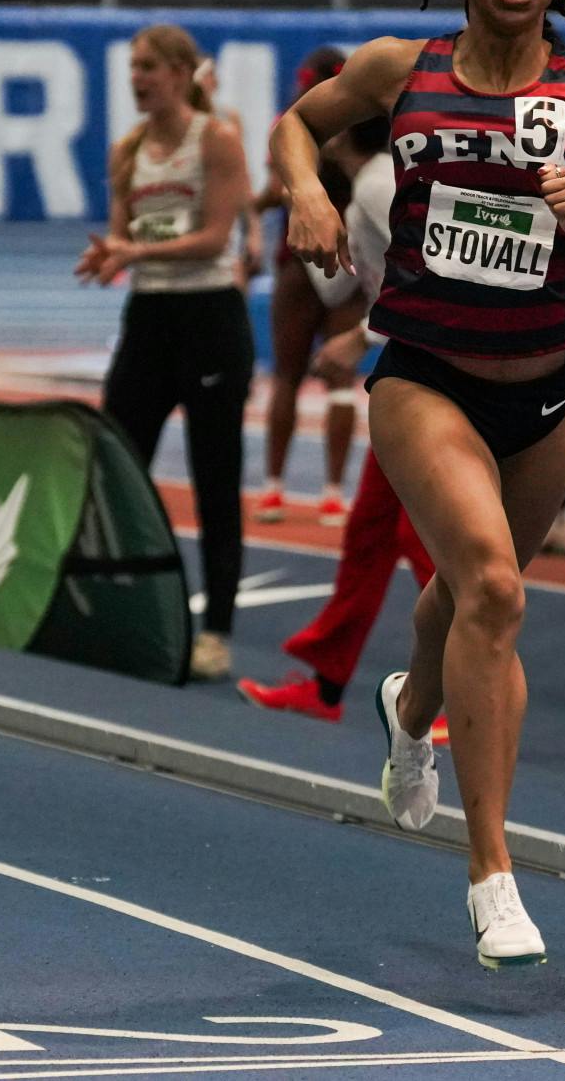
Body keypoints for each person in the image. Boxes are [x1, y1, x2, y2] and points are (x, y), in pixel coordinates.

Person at [271, 0, 565, 968]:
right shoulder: (402, 68)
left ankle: (408, 715)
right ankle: (493, 872)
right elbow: (294, 125)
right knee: (494, 590)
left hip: (544, 389)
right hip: (424, 376)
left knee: (462, 594)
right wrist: (303, 192)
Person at [238, 113, 441, 723]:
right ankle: (327, 682)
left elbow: (433, 274)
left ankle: (462, 687)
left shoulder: (383, 184)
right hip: (408, 373)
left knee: (419, 539)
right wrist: (307, 218)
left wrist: (358, 337)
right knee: (371, 534)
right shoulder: (360, 198)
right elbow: (336, 289)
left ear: (344, 134)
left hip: (433, 379)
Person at [77, 23, 254, 683]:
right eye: (132, 67)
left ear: (181, 73)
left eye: (149, 66)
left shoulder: (218, 141)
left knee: (215, 478)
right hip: (148, 317)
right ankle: (116, 600)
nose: (137, 78)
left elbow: (213, 239)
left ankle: (218, 629)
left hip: (210, 315)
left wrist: (133, 252)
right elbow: (123, 234)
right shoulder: (127, 151)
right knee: (117, 462)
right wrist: (108, 255)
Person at [256, 48, 362, 527]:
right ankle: (332, 493)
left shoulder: (295, 124)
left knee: (288, 375)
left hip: (301, 259)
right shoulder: (362, 123)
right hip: (347, 258)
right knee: (339, 379)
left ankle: (275, 488)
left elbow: (278, 189)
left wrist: (254, 205)